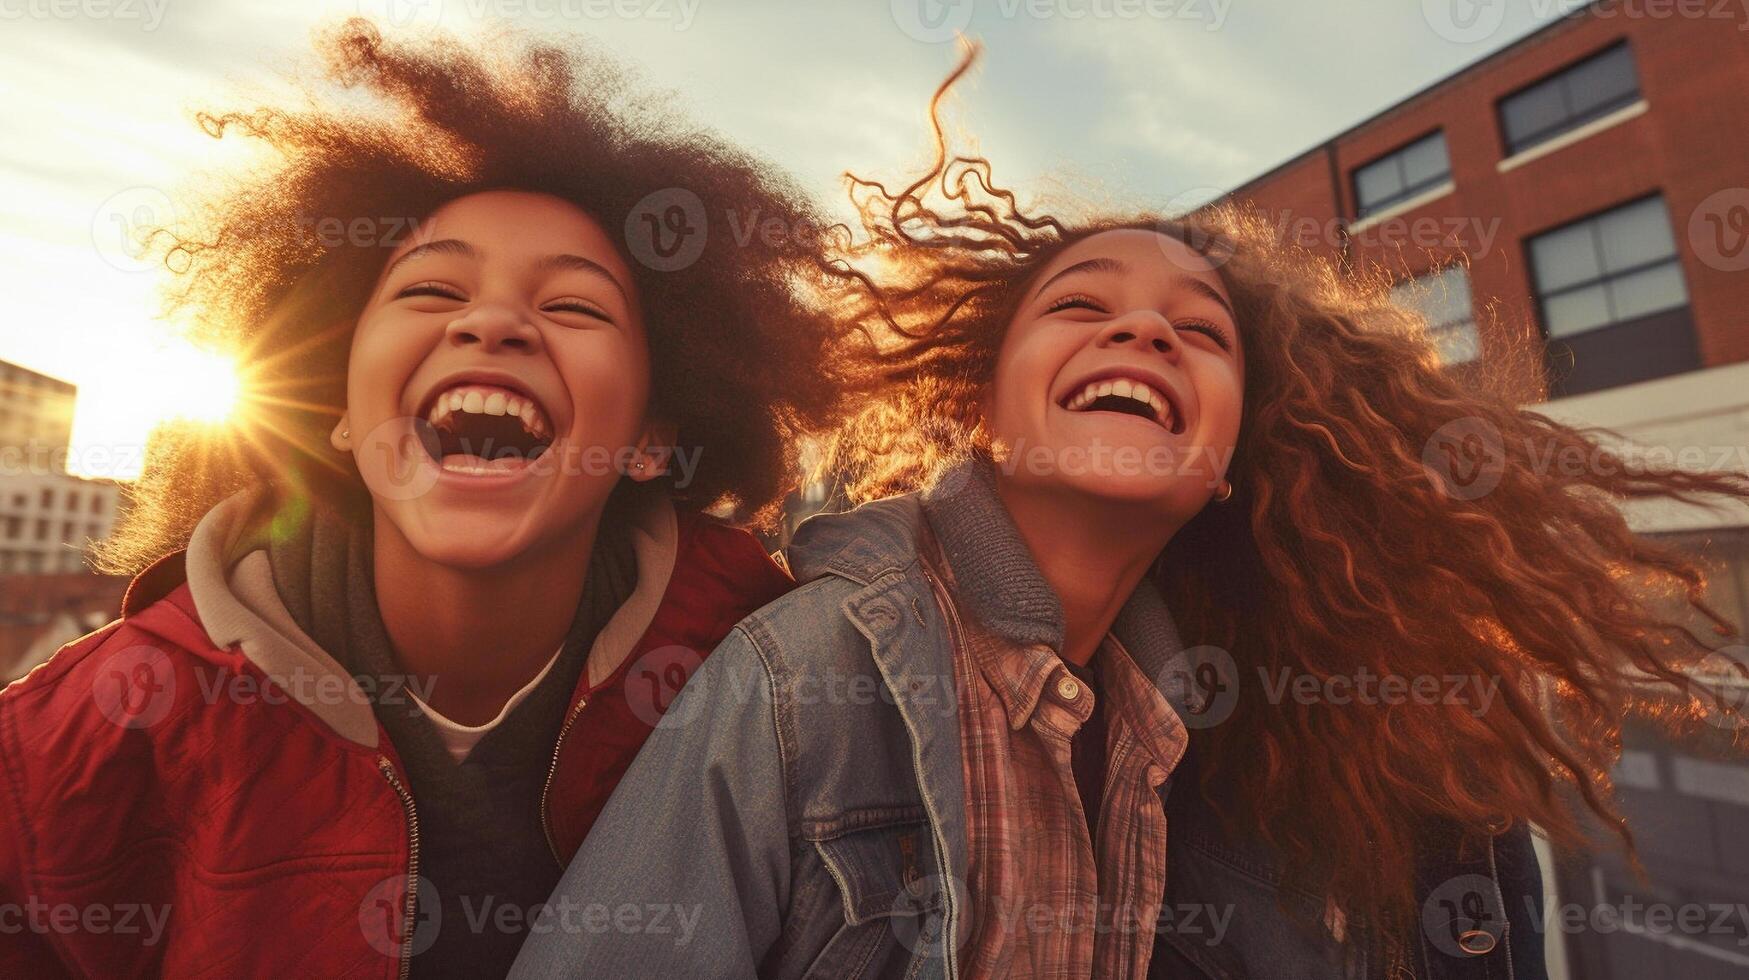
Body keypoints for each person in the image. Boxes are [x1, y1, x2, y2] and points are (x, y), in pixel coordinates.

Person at [509, 50, 1749, 980]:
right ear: (979, 408)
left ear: (1223, 462)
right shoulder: (810, 672)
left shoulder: (1194, 738)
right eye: (1081, 305)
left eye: (1199, 331)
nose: (1143, 327)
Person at [0, 20, 848, 979]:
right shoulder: (62, 755)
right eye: (432, 290)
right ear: (338, 410)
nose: (491, 321)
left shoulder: (789, 682)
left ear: (654, 437)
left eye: (571, 306)